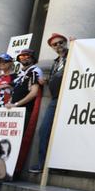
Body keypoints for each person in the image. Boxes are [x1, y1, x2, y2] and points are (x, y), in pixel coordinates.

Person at [29, 33, 69, 173]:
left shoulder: (73, 54)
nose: (58, 46)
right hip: (55, 99)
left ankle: (61, 166)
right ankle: (43, 164)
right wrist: (46, 81)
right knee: (44, 130)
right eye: (55, 44)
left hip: (69, 98)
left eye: (61, 42)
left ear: (65, 42)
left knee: (64, 133)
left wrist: (77, 45)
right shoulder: (56, 62)